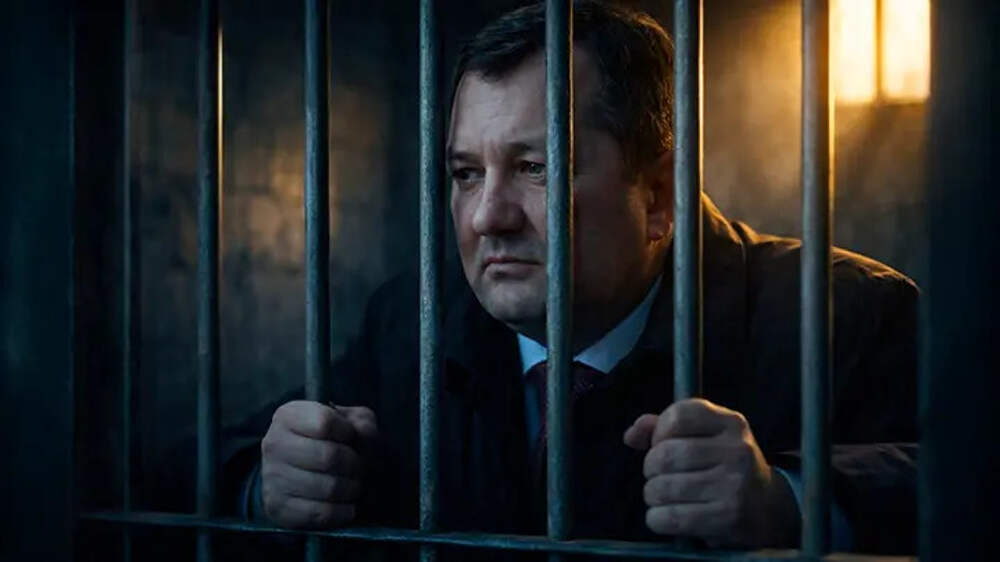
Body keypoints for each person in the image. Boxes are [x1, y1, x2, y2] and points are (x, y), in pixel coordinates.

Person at [210, 1, 917, 558]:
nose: (487, 217)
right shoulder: (412, 321)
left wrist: (790, 503)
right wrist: (262, 487)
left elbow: (959, 485)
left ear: (660, 196)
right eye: (466, 173)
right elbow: (182, 467)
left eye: (535, 167)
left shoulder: (842, 314)